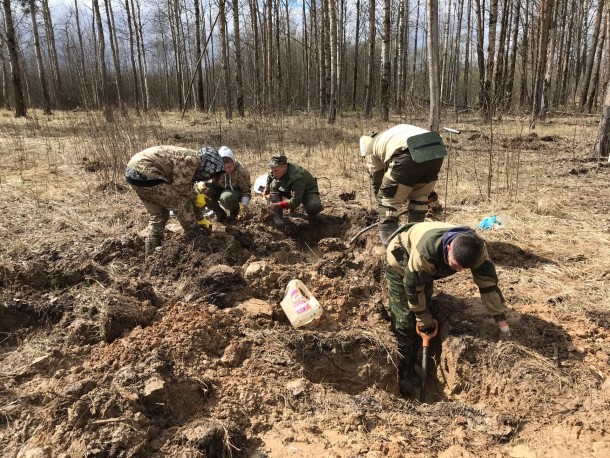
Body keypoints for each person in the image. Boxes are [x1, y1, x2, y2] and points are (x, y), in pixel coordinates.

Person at [384, 222, 509, 396]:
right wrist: (421, 316)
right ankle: (404, 372)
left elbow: (487, 283)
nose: (457, 270)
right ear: (449, 247)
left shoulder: (477, 249)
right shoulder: (425, 253)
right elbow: (413, 286)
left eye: (461, 268)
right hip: (400, 260)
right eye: (454, 265)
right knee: (405, 320)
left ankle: (417, 360)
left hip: (426, 268)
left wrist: (500, 319)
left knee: (423, 307)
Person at [124, 145, 224, 254]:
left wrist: (200, 218)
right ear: (209, 166)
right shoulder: (192, 159)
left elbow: (182, 188)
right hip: (146, 172)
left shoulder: (191, 159)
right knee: (181, 203)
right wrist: (196, 196)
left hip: (133, 174)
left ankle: (151, 253)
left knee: (160, 214)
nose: (208, 177)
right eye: (211, 174)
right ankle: (197, 240)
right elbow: (180, 187)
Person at [360, 124, 447, 246]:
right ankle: (416, 242)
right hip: (437, 149)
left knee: (387, 201)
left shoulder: (370, 149)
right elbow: (418, 172)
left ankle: (392, 249)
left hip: (408, 150)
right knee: (420, 197)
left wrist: (383, 207)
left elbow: (377, 181)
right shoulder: (391, 135)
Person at [264, 154, 323, 227]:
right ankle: (278, 217)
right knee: (274, 185)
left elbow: (295, 202)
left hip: (306, 191)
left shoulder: (297, 176)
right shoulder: (276, 170)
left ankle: (313, 218)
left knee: (314, 207)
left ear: (285, 167)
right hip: (288, 188)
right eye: (272, 170)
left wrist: (277, 204)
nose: (274, 173)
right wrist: (266, 189)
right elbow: (270, 177)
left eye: (276, 171)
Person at [205, 146, 252, 223]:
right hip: (219, 188)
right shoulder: (216, 168)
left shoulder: (242, 171)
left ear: (233, 162)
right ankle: (220, 214)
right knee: (203, 191)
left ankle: (234, 215)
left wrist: (243, 207)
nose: (227, 170)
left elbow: (246, 192)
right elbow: (205, 177)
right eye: (224, 167)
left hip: (234, 192)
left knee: (227, 197)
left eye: (229, 167)